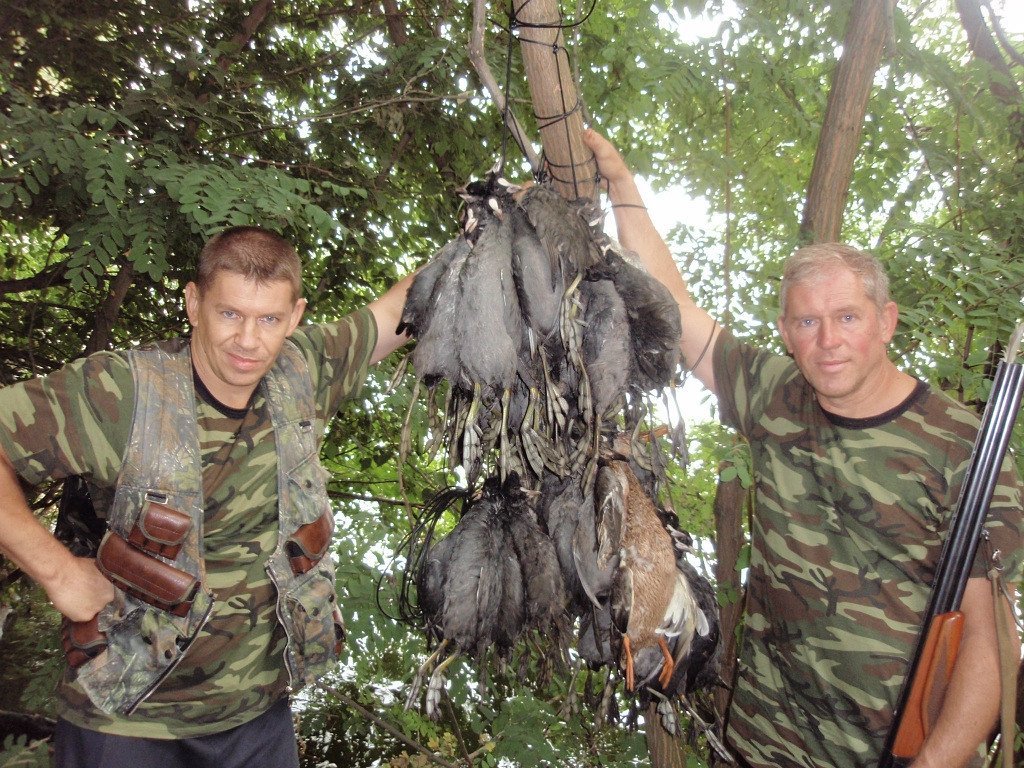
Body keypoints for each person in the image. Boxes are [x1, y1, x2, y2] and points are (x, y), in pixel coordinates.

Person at [582, 128, 1024, 768]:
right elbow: (674, 310)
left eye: (847, 317)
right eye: (808, 323)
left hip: (894, 751)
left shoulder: (964, 447)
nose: (828, 341)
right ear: (787, 332)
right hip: (764, 743)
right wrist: (624, 191)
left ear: (886, 320)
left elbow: (992, 646)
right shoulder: (775, 393)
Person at [0, 226, 414, 767]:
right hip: (126, 720)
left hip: (256, 720)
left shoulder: (304, 370)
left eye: (269, 319)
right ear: (194, 303)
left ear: (294, 316)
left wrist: (498, 214)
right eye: (230, 314)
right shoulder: (120, 393)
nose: (248, 339)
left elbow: (399, 309)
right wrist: (57, 572)